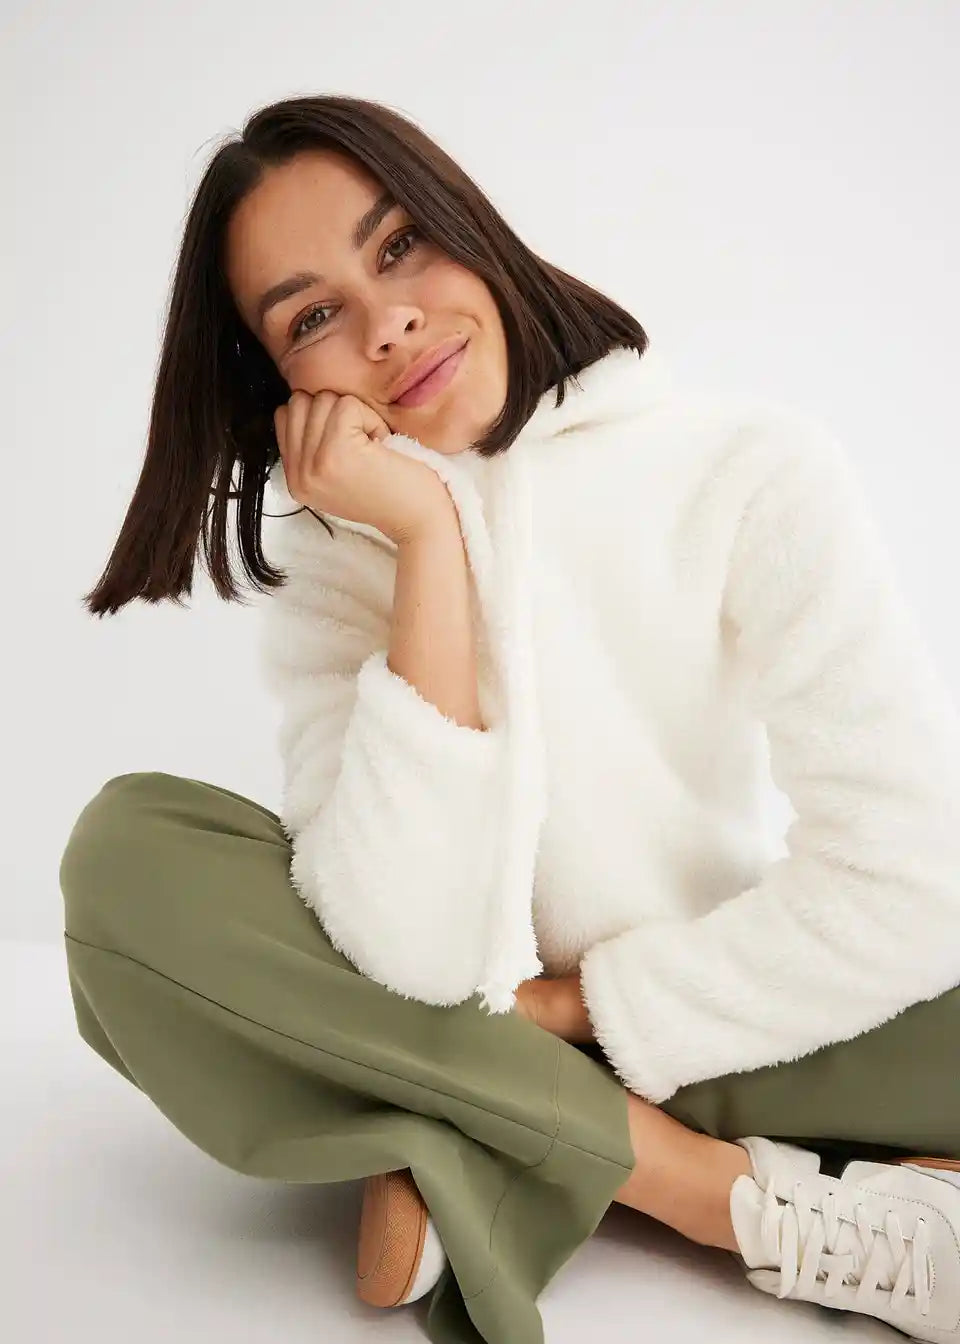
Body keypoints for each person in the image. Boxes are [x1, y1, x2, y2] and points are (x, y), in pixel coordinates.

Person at [59, 93, 960, 1344]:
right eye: (312, 317)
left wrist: (573, 1011)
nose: (387, 324)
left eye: (400, 245)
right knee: (131, 864)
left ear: (470, 226)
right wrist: (428, 542)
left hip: (748, 1014)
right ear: (280, 385)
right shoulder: (341, 570)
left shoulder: (750, 468)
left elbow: (913, 886)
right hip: (446, 1014)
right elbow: (414, 961)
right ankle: (707, 1195)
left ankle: (468, 1135)